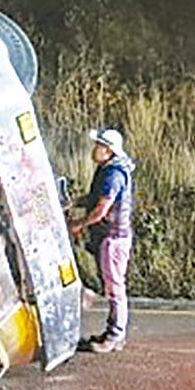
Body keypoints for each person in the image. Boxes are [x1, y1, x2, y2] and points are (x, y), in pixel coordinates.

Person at [70, 128, 136, 353]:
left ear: (107, 151)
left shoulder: (113, 175)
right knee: (111, 284)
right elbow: (94, 199)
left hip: (113, 238)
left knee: (115, 287)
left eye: (98, 145)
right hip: (110, 236)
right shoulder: (108, 170)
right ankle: (112, 333)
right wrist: (74, 204)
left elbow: (101, 209)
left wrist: (78, 224)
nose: (94, 150)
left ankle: (115, 336)